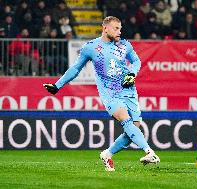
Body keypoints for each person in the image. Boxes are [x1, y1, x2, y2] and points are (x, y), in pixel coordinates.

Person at [43, 16, 160, 171]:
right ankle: (149, 151)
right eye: (116, 28)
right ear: (105, 28)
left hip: (129, 90)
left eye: (120, 28)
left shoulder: (125, 45)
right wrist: (57, 85)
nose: (119, 31)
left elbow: (136, 62)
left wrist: (132, 74)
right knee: (126, 120)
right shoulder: (91, 47)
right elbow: (76, 68)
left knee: (134, 127)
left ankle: (107, 154)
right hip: (110, 93)